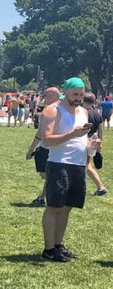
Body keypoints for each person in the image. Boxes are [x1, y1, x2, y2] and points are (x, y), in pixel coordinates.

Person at [40, 77, 97, 262]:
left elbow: (82, 138)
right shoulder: (53, 111)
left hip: (78, 165)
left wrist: (92, 144)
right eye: (75, 94)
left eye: (81, 94)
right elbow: (47, 140)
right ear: (65, 92)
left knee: (67, 207)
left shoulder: (83, 112)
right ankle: (48, 249)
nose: (79, 98)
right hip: (59, 163)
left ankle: (58, 245)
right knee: (54, 206)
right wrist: (73, 134)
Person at [25, 87, 60, 206]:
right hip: (58, 146)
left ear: (52, 96)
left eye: (45, 95)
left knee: (46, 175)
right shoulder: (65, 109)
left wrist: (31, 149)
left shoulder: (49, 110)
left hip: (47, 147)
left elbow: (40, 132)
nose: (43, 98)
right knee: (49, 175)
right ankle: (42, 198)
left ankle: (53, 195)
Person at [82, 92, 107, 196]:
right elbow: (101, 131)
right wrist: (99, 144)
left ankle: (101, 187)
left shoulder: (83, 113)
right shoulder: (97, 114)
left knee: (87, 165)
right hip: (94, 141)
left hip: (84, 141)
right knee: (87, 164)